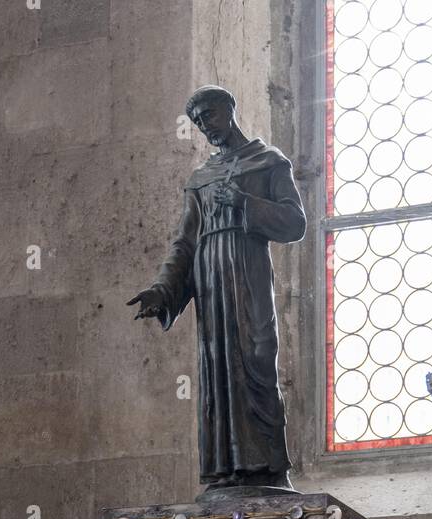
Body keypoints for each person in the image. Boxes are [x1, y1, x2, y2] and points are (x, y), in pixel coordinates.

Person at [129, 86, 306, 493]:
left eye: (208, 115)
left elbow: (295, 223)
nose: (204, 126)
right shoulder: (200, 180)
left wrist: (245, 203)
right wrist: (162, 290)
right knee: (218, 370)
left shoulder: (268, 161)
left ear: (229, 109)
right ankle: (227, 472)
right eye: (197, 122)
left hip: (249, 273)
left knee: (258, 358)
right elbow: (184, 243)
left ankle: (269, 469)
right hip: (210, 280)